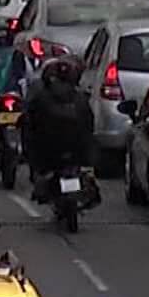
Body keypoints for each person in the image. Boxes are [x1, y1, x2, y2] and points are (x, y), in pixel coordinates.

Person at [22, 56, 95, 195]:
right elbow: (90, 126)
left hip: (54, 154)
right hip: (72, 153)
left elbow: (30, 125)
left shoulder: (41, 98)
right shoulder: (80, 99)